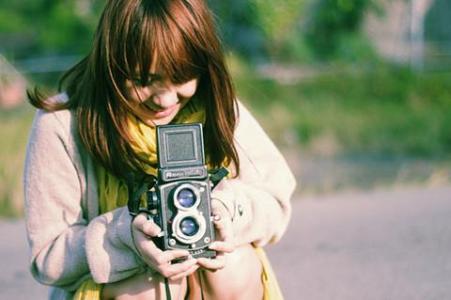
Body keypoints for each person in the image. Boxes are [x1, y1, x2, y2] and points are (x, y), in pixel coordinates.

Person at [23, 0, 296, 299]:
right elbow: (48, 259)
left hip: (215, 285)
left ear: (203, 68)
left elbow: (276, 201)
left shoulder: (217, 108)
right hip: (121, 290)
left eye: (181, 78)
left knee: (232, 267)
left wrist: (226, 211)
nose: (165, 100)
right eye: (144, 80)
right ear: (111, 65)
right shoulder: (63, 123)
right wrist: (125, 237)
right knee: (149, 289)